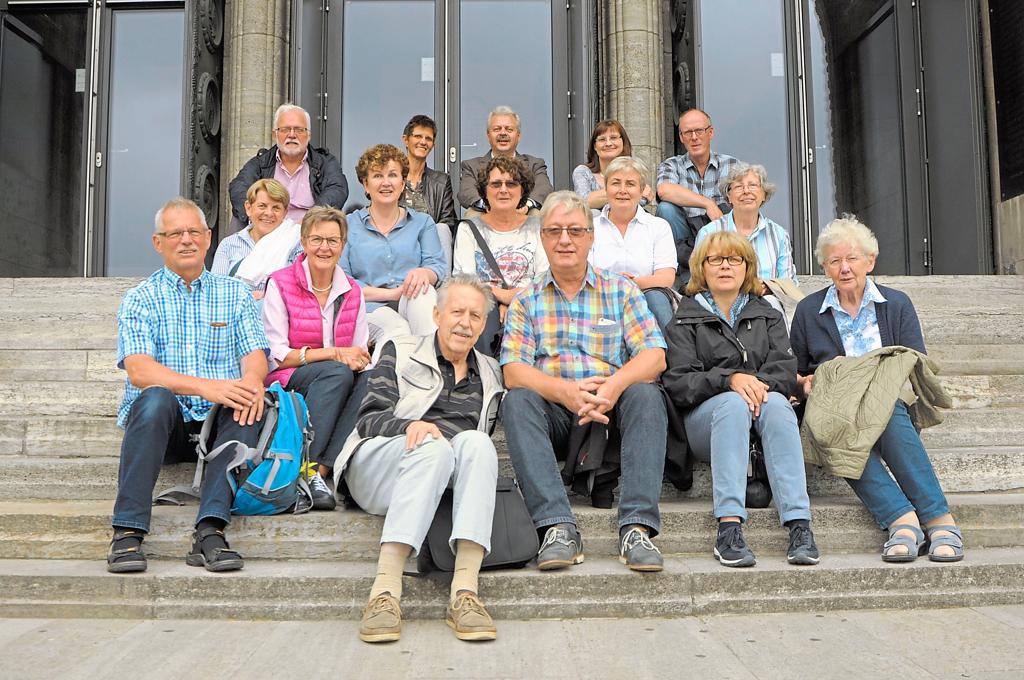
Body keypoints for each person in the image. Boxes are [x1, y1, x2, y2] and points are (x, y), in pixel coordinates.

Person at [500, 191, 668, 573]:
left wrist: (612, 387)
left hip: (614, 410)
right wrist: (566, 393)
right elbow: (513, 370)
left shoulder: (621, 290)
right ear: (542, 238)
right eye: (555, 231)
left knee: (645, 393)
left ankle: (637, 528)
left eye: (575, 231)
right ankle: (557, 526)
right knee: (517, 401)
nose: (565, 240)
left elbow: (654, 355)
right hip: (559, 411)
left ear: (591, 237)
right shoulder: (527, 300)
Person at [334, 275, 504, 643]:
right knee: (433, 442)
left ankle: (465, 591)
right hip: (379, 465)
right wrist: (410, 425)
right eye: (457, 311)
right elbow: (367, 419)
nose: (465, 322)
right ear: (437, 314)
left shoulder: (490, 372)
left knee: (476, 443)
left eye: (476, 316)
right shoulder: (401, 349)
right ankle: (384, 591)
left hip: (437, 474)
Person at [108, 197, 269, 574]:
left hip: (217, 424)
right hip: (165, 429)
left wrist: (250, 382)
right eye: (175, 233)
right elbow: (139, 370)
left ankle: (210, 529)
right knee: (154, 397)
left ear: (208, 238)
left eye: (193, 232)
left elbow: (255, 356)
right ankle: (128, 530)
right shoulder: (140, 298)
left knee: (248, 399)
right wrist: (207, 388)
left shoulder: (235, 293)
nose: (185, 240)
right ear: (157, 242)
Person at [790, 216, 963, 563]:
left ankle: (937, 519)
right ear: (824, 267)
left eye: (852, 258)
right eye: (835, 261)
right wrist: (804, 383)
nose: (844, 268)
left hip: (890, 404)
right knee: (830, 427)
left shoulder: (896, 304)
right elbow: (798, 368)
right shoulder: (809, 311)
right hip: (834, 409)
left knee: (883, 407)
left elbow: (916, 362)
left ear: (870, 261)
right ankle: (903, 518)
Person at [661, 231, 819, 568]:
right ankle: (729, 525)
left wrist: (755, 385)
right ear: (701, 267)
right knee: (733, 404)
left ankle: (799, 525)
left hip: (762, 412)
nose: (725, 266)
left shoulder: (768, 314)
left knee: (777, 403)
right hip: (705, 423)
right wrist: (730, 380)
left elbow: (785, 370)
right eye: (715, 259)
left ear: (747, 267)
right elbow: (679, 382)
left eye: (735, 259)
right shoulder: (685, 318)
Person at [262, 205, 371, 511]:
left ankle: (319, 470)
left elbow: (359, 348)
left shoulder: (353, 290)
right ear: (304, 241)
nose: (325, 247)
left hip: (337, 378)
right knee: (337, 372)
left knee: (371, 378)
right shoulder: (280, 283)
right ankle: (307, 469)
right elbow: (277, 355)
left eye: (333, 241)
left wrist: (358, 360)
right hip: (289, 377)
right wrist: (335, 354)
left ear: (343, 244)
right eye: (317, 239)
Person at [340, 144, 448, 348]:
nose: (386, 183)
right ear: (365, 184)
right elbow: (342, 281)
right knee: (397, 328)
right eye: (378, 176)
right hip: (367, 306)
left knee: (424, 294)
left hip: (412, 299)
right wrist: (391, 294)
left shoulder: (422, 223)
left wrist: (425, 273)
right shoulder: (347, 225)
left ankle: (434, 365)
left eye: (392, 175)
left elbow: (438, 266)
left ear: (403, 182)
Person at [452, 156, 548, 356]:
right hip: (483, 307)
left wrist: (510, 300)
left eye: (511, 184)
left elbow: (544, 278)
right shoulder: (468, 229)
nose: (503, 190)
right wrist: (499, 301)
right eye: (496, 184)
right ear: (485, 191)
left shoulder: (538, 228)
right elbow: (466, 280)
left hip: (530, 304)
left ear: (522, 190)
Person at [589, 156, 676, 330]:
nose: (623, 190)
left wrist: (634, 283)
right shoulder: (590, 228)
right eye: (615, 183)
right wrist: (615, 284)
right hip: (601, 299)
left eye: (630, 184)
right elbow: (584, 275)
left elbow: (666, 277)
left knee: (656, 299)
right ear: (605, 188)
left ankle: (670, 355)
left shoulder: (658, 226)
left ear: (642, 189)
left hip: (646, 299)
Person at [228, 103, 348, 227]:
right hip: (267, 230)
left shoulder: (324, 162)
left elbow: (337, 189)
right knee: (238, 220)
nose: (291, 135)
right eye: (285, 129)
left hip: (309, 232)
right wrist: (255, 216)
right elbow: (238, 187)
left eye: (299, 130)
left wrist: (312, 218)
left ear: (309, 135)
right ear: (275, 134)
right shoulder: (261, 163)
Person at [655, 108, 738, 282]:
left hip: (719, 237)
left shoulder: (731, 165)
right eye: (688, 132)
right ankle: (687, 276)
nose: (694, 137)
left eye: (699, 131)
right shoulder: (672, 164)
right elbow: (664, 190)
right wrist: (708, 204)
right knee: (666, 209)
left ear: (711, 132)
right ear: (681, 137)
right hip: (685, 238)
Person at [694, 162, 797, 285]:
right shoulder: (709, 233)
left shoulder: (779, 235)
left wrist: (769, 289)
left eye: (753, 185)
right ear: (729, 196)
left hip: (767, 301)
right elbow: (698, 280)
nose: (746, 191)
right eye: (738, 187)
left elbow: (789, 284)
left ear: (764, 194)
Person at [458, 105, 553, 213]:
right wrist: (488, 206)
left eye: (509, 129)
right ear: (488, 135)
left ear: (518, 136)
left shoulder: (534, 164)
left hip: (524, 214)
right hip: (486, 214)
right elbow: (466, 192)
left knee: (535, 214)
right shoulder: (471, 166)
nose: (503, 133)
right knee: (472, 214)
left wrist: (527, 205)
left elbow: (544, 189)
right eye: (497, 129)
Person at [211, 179, 301, 294]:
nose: (269, 213)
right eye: (262, 206)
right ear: (248, 208)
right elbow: (217, 290)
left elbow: (300, 289)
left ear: (285, 212)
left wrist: (267, 297)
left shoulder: (296, 243)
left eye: (276, 208)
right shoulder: (228, 245)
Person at [572, 120, 654, 209]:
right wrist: (629, 193)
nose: (608, 143)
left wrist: (598, 199)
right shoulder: (583, 172)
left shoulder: (634, 170)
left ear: (623, 142)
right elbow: (583, 203)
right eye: (602, 139)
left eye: (613, 138)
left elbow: (644, 198)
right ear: (595, 146)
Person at [400, 114, 457, 232]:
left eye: (428, 138)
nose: (423, 142)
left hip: (430, 244)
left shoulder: (441, 181)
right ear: (406, 140)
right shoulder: (392, 177)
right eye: (418, 136)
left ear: (433, 145)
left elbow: (448, 222)